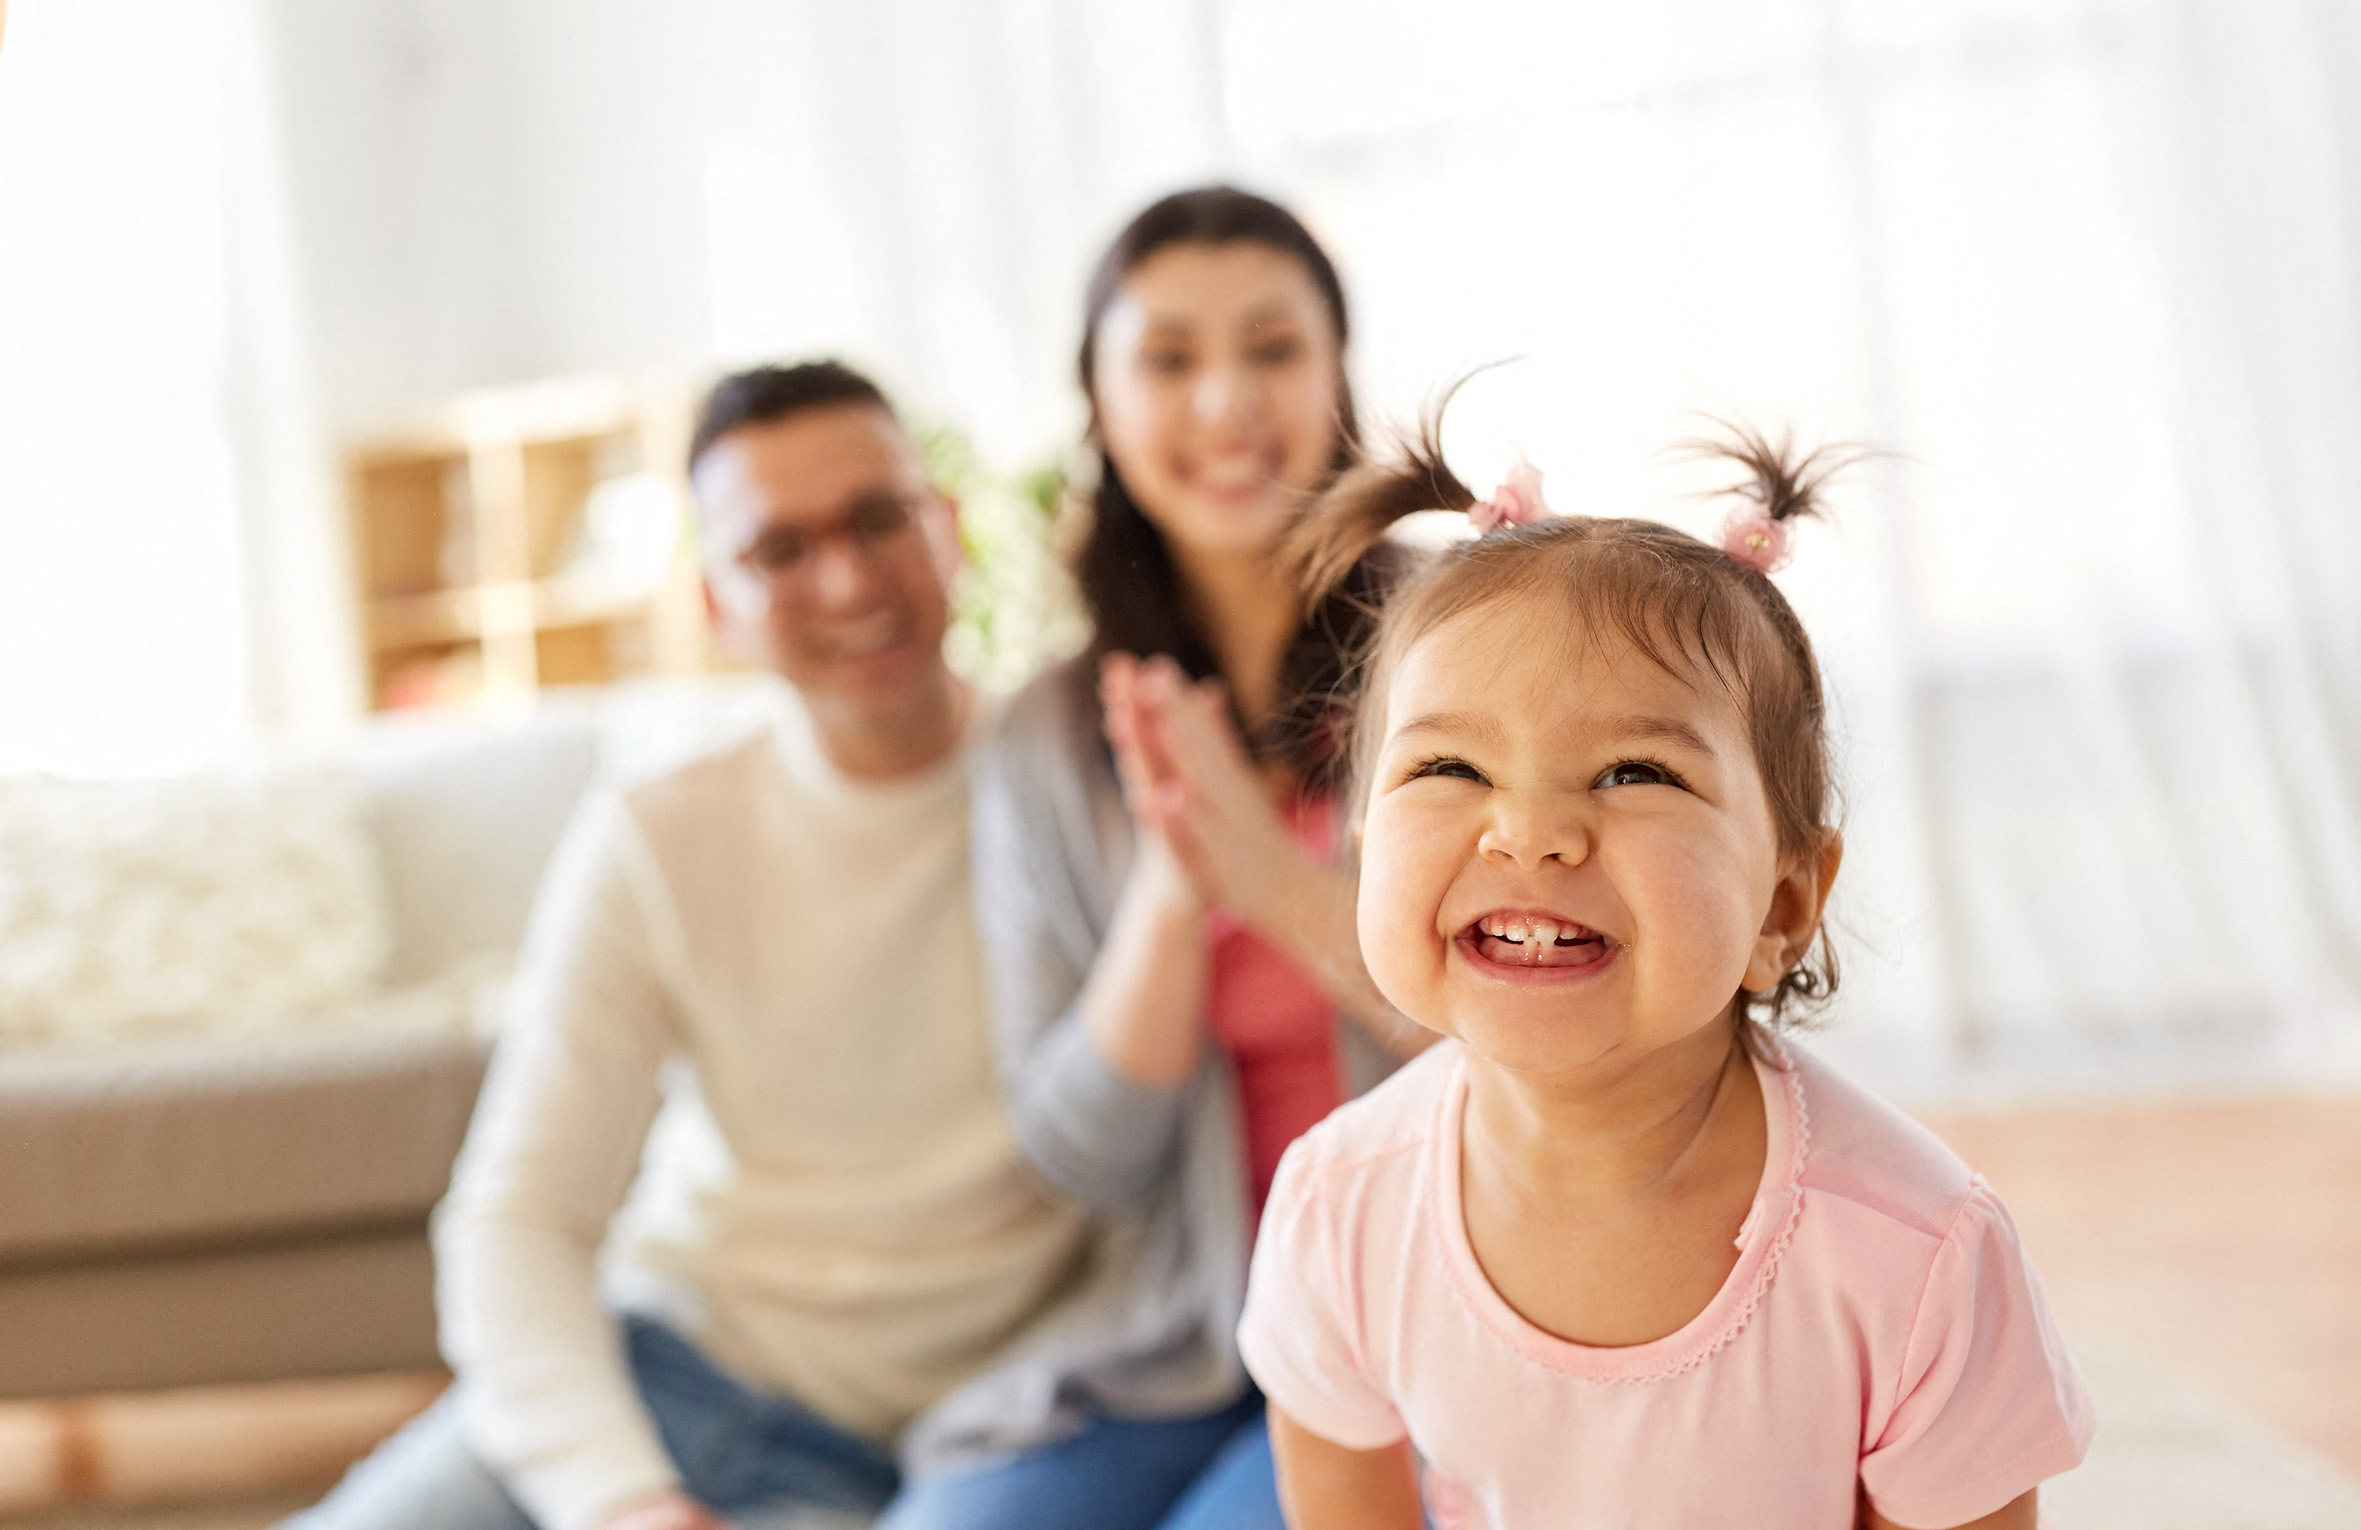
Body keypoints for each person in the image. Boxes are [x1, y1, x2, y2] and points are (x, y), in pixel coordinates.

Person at [1234, 423, 2096, 1528]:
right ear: (1362, 851)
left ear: (1783, 906)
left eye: (1633, 772)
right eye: (1450, 765)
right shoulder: (1339, 1206)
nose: (1529, 830)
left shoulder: (1914, 1256)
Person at [282, 361, 1095, 1530]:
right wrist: (618, 1499)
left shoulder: (1078, 793)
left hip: (899, 1459)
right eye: (780, 550)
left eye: (879, 520)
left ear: (949, 529)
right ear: (717, 602)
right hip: (650, 1376)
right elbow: (518, 1220)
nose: (847, 579)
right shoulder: (660, 834)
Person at [955, 187, 1427, 1529]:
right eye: (1168, 360)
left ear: (1338, 375)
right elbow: (1081, 1155)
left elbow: (1549, 1061)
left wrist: (1267, 881)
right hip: (1176, 1343)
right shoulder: (1049, 738)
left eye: (1273, 348)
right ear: (1100, 408)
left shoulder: (1467, 647)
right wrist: (1175, 888)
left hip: (1421, 1327)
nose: (1226, 402)